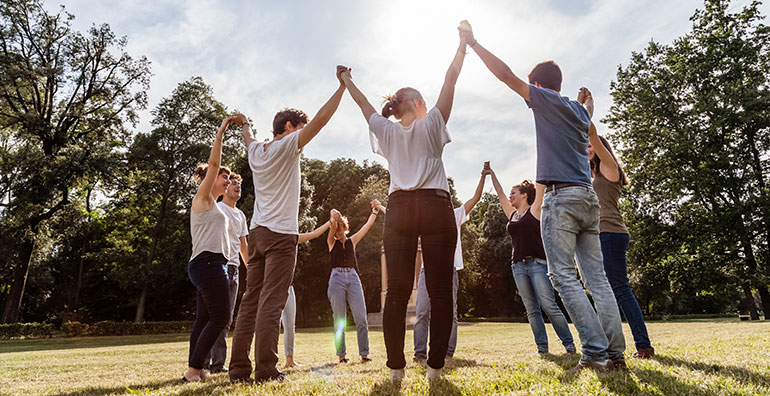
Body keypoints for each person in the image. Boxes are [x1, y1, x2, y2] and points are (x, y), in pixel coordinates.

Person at [460, 21, 625, 372]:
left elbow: (505, 75)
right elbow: (590, 114)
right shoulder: (579, 112)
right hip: (587, 198)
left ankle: (595, 352)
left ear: (536, 86)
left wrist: (473, 43)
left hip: (561, 198)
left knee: (563, 276)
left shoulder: (544, 100)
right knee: (598, 279)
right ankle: (615, 353)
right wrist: (586, 101)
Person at [338, 27, 467, 382]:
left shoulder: (388, 130)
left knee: (395, 291)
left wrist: (347, 80)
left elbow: (365, 106)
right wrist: (461, 46)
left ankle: (396, 368)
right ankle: (435, 369)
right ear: (418, 104)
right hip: (435, 205)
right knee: (441, 292)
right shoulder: (432, 123)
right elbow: (450, 80)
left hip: (399, 210)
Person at [228, 67, 347, 384]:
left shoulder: (256, 152)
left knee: (251, 299)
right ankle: (266, 369)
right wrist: (342, 87)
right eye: (300, 129)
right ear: (290, 127)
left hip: (257, 235)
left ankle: (238, 369)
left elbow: (248, 137)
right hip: (281, 236)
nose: (304, 135)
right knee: (272, 301)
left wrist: (245, 123)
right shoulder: (287, 145)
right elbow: (321, 121)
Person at [580, 87, 654, 359]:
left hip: (610, 234)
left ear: (601, 150)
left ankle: (644, 346)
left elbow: (591, 135)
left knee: (620, 289)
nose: (587, 150)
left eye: (590, 148)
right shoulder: (589, 176)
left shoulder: (610, 169)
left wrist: (588, 105)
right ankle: (607, 343)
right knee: (604, 290)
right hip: (598, 236)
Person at [486, 163, 576, 355]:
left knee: (549, 305)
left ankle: (569, 345)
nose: (510, 196)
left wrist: (546, 159)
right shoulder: (512, 215)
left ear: (524, 195)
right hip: (518, 267)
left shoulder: (534, 211)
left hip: (538, 264)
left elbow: (540, 187)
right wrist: (491, 174)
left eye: (514, 192)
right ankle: (542, 348)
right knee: (531, 309)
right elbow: (500, 193)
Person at [413, 166, 486, 362]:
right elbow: (404, 221)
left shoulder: (455, 215)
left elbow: (476, 198)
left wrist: (483, 176)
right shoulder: (424, 219)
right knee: (421, 312)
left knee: (450, 313)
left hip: (449, 269)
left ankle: (447, 352)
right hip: (426, 270)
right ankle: (419, 354)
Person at [183, 116, 235, 382]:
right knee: (221, 317)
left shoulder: (214, 205)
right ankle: (195, 369)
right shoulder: (202, 196)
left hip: (210, 264)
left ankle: (197, 368)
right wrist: (221, 131)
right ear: (209, 179)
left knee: (204, 319)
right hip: (208, 264)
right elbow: (214, 164)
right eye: (223, 177)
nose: (227, 180)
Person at [204, 172, 250, 374]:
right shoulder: (218, 209)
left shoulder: (240, 215)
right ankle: (202, 361)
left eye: (239, 183)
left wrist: (251, 269)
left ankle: (217, 364)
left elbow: (243, 246)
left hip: (234, 269)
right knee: (213, 316)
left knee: (226, 318)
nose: (237, 186)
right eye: (233, 183)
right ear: (225, 188)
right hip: (218, 266)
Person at [325, 201, 381, 364]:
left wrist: (375, 211)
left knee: (361, 317)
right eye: (335, 230)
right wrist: (334, 217)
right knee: (339, 319)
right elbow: (333, 211)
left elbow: (367, 225)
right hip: (336, 279)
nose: (337, 233)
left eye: (339, 229)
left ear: (345, 229)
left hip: (353, 277)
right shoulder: (331, 243)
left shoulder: (352, 241)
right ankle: (341, 356)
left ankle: (364, 354)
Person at [281, 219, 332, 368]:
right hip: (272, 288)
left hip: (288, 287)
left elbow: (314, 234)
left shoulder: (292, 237)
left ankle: (289, 360)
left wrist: (330, 221)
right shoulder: (270, 238)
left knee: (290, 325)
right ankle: (267, 361)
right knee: (272, 324)